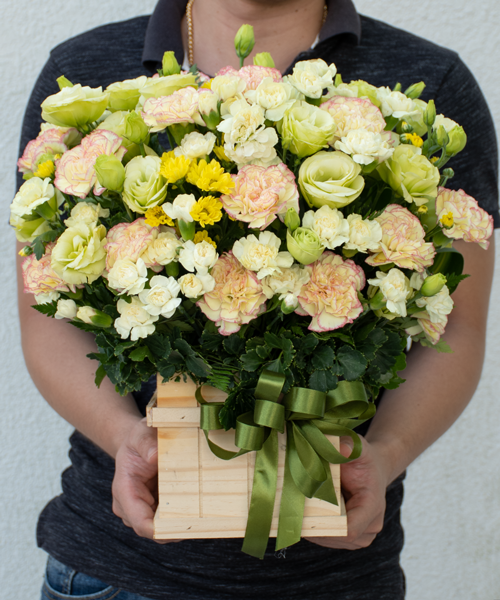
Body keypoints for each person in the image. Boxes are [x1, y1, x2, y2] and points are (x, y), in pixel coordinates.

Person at [16, 0, 498, 599]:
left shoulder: (429, 81)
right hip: (120, 570)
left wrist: (385, 453)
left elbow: (455, 326)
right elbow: (46, 312)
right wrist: (123, 437)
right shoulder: (86, 74)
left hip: (335, 576)